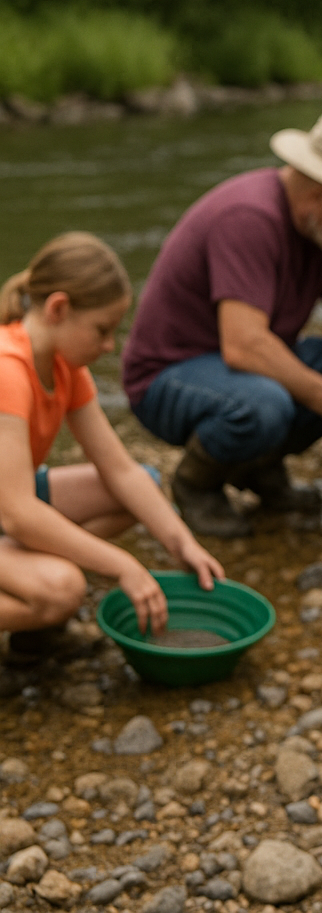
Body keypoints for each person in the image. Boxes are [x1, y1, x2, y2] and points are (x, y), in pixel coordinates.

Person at [123, 108, 322, 539]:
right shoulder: (250, 218)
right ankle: (197, 484)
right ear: (321, 191)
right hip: (169, 375)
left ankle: (258, 467)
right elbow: (244, 345)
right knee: (265, 404)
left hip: (236, 367)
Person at [1, 233, 224, 663]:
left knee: (142, 488)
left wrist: (183, 544)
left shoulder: (65, 366)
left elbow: (121, 472)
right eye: (102, 330)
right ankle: (34, 594)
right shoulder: (7, 370)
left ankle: (23, 572)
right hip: (10, 510)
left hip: (8, 510)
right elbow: (17, 512)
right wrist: (121, 564)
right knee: (63, 589)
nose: (109, 346)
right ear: (58, 309)